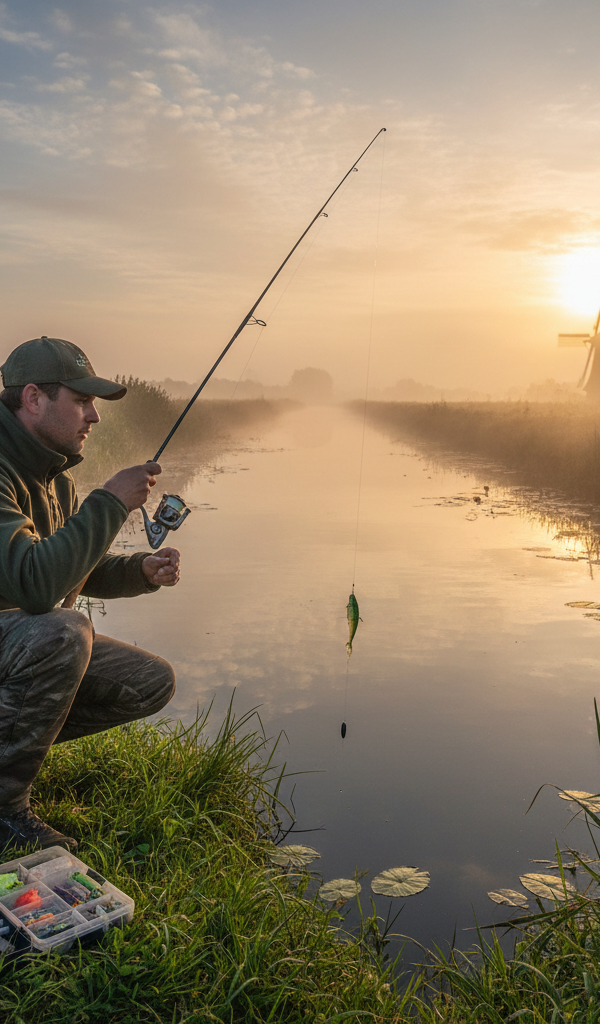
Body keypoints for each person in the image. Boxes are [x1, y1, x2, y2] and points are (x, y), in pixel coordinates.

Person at [0, 336, 178, 853]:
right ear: (33, 398)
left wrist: (140, 571)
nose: (94, 416)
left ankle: (11, 754)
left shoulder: (53, 474)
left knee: (149, 683)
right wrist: (111, 502)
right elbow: (35, 584)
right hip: (18, 635)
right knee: (64, 632)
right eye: (81, 401)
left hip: (11, 641)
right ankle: (5, 813)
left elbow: (71, 566)